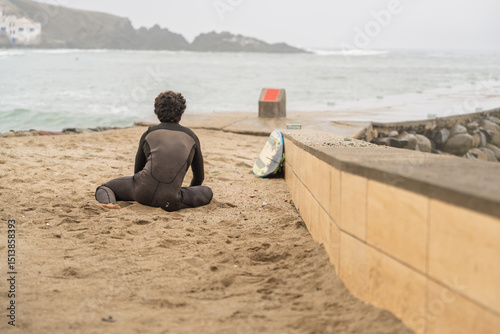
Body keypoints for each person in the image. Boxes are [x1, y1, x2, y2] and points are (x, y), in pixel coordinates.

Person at [95, 91, 213, 212]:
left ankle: (109, 203)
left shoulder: (149, 134)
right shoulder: (191, 137)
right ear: (181, 112)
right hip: (170, 200)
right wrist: (185, 192)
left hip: (141, 193)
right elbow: (199, 177)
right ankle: (172, 193)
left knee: (105, 188)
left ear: (157, 112)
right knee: (207, 191)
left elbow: (138, 171)